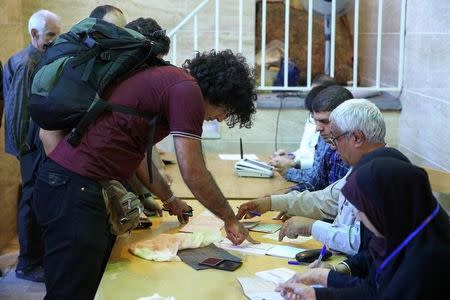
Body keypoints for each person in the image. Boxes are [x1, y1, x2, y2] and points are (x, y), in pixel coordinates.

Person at [31, 48, 257, 298]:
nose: (222, 118)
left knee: (89, 285)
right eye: (226, 111)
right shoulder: (187, 91)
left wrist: (170, 199)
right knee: (71, 291)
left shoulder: (171, 81)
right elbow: (194, 172)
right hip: (74, 189)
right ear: (222, 94)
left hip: (70, 185)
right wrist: (229, 218)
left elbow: (139, 157)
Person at [276, 157, 450, 299]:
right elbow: (371, 290)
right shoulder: (400, 234)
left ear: (385, 209)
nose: (355, 216)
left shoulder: (426, 264)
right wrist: (317, 286)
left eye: (361, 209)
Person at [238, 99, 386, 256]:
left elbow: (361, 241)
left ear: (357, 138)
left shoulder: (384, 176)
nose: (332, 146)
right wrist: (271, 202)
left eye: (335, 139)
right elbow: (326, 199)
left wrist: (312, 226)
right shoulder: (362, 166)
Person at [3, 9, 61, 282]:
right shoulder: (28, 62)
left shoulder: (36, 59)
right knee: (30, 201)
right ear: (33, 34)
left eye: (55, 35)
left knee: (35, 200)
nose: (53, 40)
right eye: (49, 35)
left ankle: (34, 259)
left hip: (34, 143)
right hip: (31, 144)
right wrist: (26, 150)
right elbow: (17, 111)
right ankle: (27, 263)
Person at [269, 75, 337, 171]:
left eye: (317, 93)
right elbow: (305, 149)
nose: (312, 96)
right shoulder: (311, 116)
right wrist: (289, 155)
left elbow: (322, 164)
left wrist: (293, 164)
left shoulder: (333, 122)